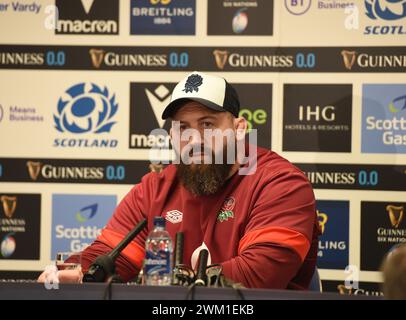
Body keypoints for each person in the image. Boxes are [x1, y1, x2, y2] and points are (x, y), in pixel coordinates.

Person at [39, 71, 320, 289]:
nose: (194, 139)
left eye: (207, 124)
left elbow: (258, 277)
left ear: (239, 128)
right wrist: (76, 274)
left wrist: (175, 282)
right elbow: (113, 257)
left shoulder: (280, 183)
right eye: (182, 127)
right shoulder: (155, 188)